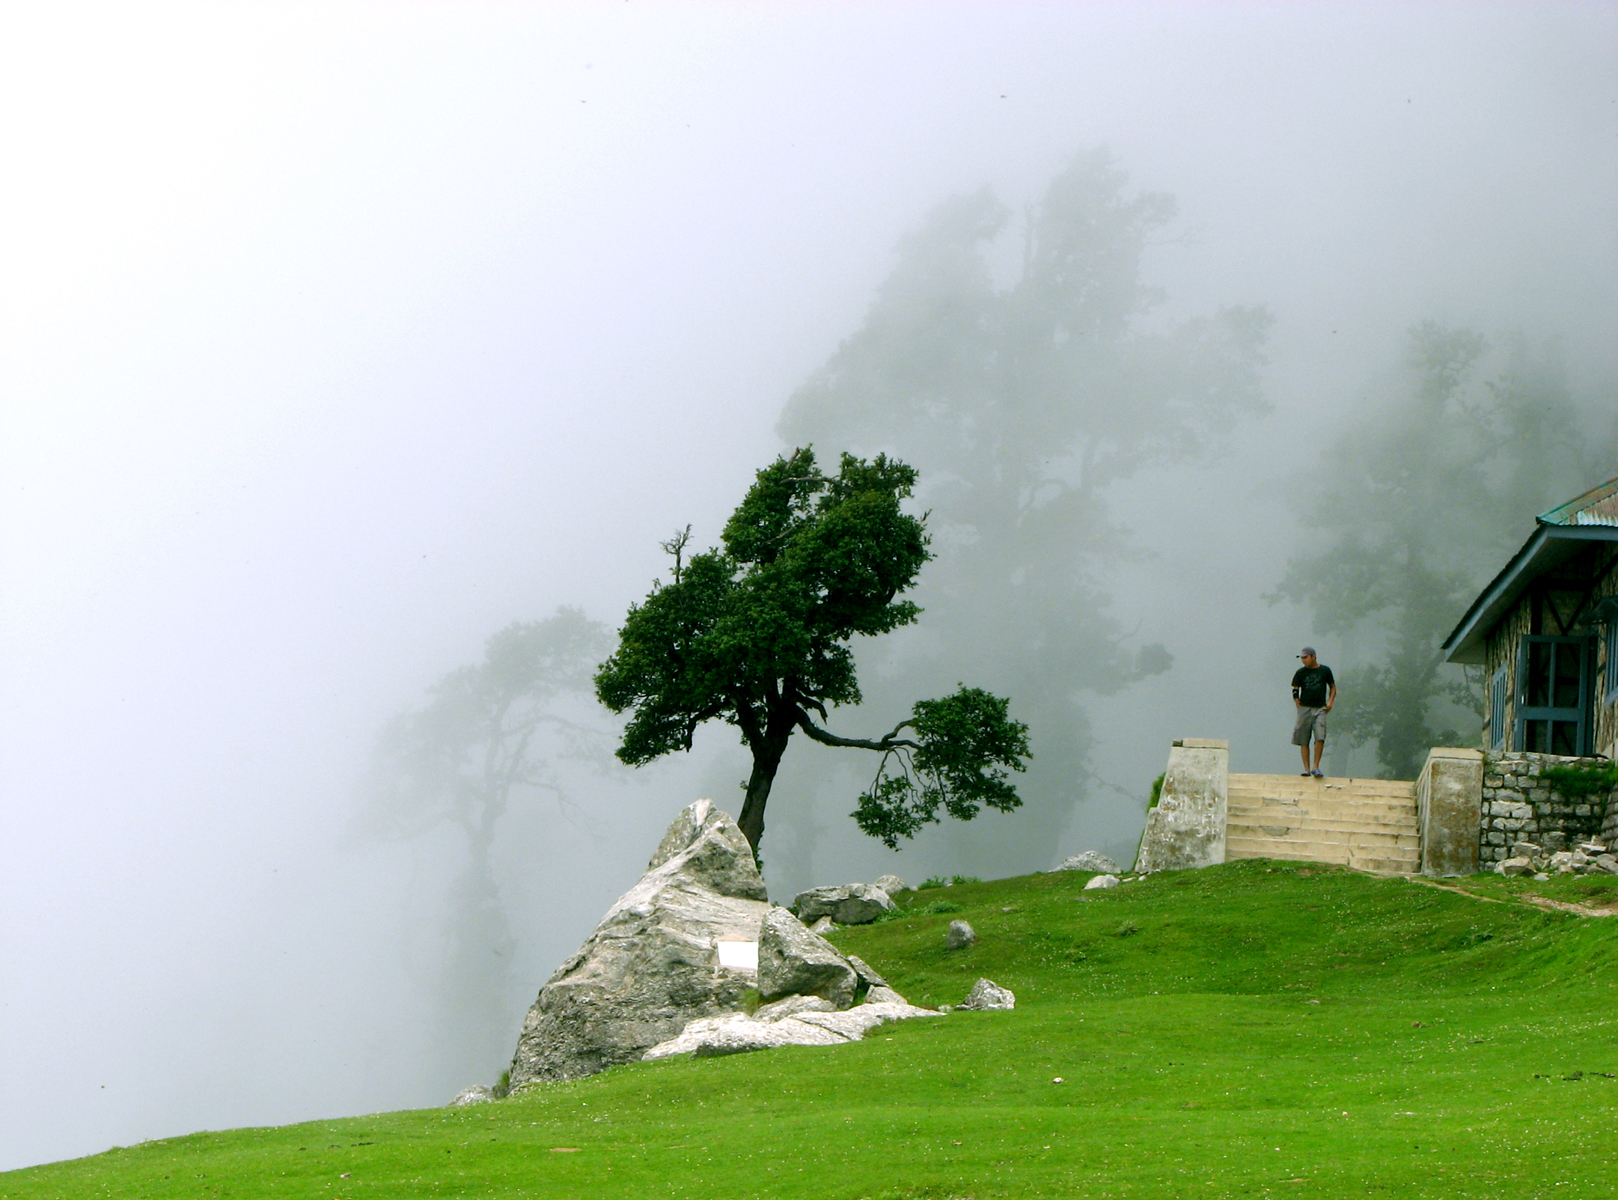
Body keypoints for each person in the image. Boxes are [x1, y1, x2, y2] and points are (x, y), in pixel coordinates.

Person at [1290, 647, 1336, 777]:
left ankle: (1316, 766)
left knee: (1320, 736)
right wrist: (1297, 701)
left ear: (1313, 657)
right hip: (1305, 707)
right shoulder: (1301, 672)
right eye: (1302, 658)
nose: (1304, 660)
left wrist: (1330, 701)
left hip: (1320, 707)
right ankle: (1307, 768)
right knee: (1303, 739)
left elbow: (1333, 687)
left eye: (1306, 657)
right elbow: (1295, 688)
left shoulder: (1325, 670)